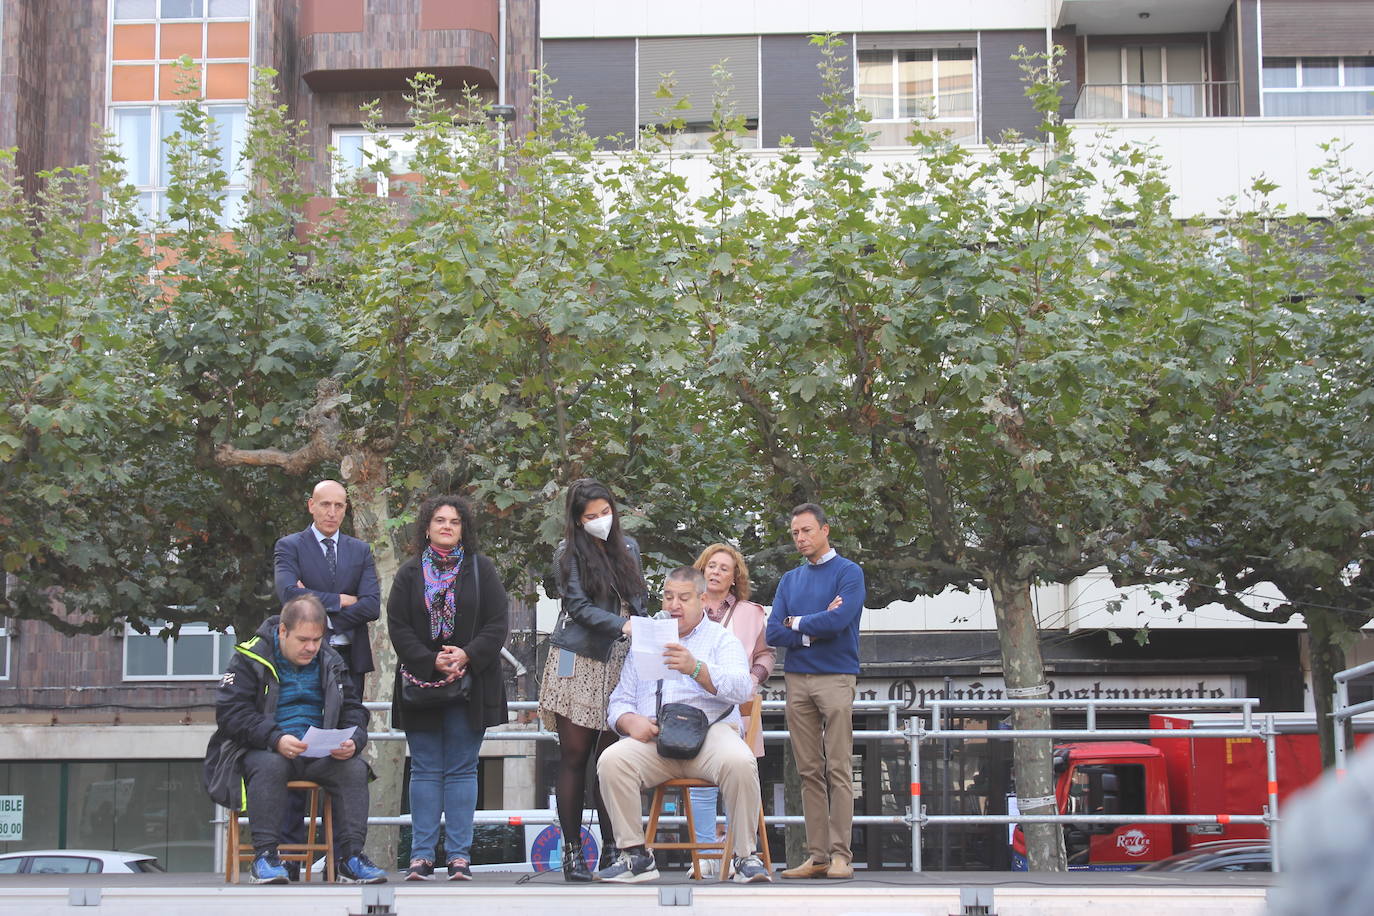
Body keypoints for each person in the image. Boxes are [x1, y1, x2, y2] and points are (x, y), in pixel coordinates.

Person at [594, 566, 771, 885]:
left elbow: (744, 687)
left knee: (740, 761)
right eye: (668, 596)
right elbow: (620, 699)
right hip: (656, 738)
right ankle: (635, 855)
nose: (673, 604)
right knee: (612, 760)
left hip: (709, 735)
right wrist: (628, 720)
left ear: (702, 599)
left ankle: (744, 856)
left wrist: (697, 669)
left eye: (683, 598)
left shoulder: (721, 639)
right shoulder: (646, 640)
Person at [202, 595, 386, 885]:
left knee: (354, 768)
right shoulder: (249, 657)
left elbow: (353, 708)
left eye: (317, 639)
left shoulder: (331, 659)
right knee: (270, 766)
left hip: (318, 752)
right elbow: (231, 714)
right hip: (264, 749)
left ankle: (350, 857)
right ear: (283, 631)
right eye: (303, 640)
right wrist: (275, 738)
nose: (311, 647)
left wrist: (354, 739)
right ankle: (265, 857)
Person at [388, 495, 510, 881]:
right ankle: (421, 857)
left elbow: (497, 622)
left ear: (463, 530)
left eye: (454, 522)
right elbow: (398, 626)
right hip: (421, 685)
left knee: (461, 769)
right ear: (426, 527)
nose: (446, 526)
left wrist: (467, 654)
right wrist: (430, 659)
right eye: (439, 520)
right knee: (424, 769)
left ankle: (459, 856)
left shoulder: (482, 570)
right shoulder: (409, 573)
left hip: (469, 685)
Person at [537, 478, 648, 881]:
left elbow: (639, 599)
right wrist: (624, 625)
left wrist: (644, 627)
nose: (601, 521)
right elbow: (579, 607)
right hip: (578, 658)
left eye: (605, 513)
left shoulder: (630, 547)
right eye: (591, 516)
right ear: (577, 519)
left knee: (610, 761)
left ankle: (614, 850)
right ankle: (572, 853)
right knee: (574, 756)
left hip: (620, 659)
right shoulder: (568, 553)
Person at [765, 502, 866, 879]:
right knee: (808, 770)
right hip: (796, 679)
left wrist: (797, 624)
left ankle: (842, 854)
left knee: (838, 766)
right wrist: (812, 625)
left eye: (806, 530)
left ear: (825, 529)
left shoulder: (849, 572)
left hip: (837, 676)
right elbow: (773, 631)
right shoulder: (790, 579)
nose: (800, 538)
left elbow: (840, 621)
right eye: (794, 533)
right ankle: (818, 855)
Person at [686, 543, 775, 874]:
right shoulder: (685, 608)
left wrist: (754, 678)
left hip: (739, 711)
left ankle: (741, 854)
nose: (716, 572)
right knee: (700, 782)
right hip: (694, 709)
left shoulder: (751, 612)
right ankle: (706, 857)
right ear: (701, 569)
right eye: (711, 565)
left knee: (739, 777)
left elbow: (766, 653)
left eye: (724, 567)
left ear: (735, 576)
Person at [274, 479, 381, 700]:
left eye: (339, 506)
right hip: (306, 655)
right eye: (325, 504)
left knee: (348, 726)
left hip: (352, 659)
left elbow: (371, 606)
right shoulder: (290, 546)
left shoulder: (360, 550)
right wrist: (342, 599)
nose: (332, 512)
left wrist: (329, 622)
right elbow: (289, 595)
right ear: (311, 505)